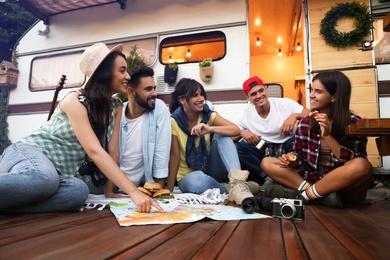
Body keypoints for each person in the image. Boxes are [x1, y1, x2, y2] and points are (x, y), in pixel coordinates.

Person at [0, 42, 163, 213]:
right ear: (104, 73)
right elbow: (94, 151)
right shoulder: (75, 101)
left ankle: (9, 207)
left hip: (56, 174)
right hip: (27, 153)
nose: (128, 76)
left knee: (78, 192)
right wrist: (133, 191)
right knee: (46, 179)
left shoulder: (115, 106)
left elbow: (113, 150)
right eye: (122, 71)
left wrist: (109, 191)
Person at [261, 70, 373, 208]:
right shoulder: (305, 123)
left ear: (334, 97)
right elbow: (299, 157)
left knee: (362, 165)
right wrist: (291, 161)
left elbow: (353, 162)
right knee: (267, 162)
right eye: (311, 90)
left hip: (343, 187)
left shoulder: (354, 123)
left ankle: (304, 196)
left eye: (318, 91)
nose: (311, 95)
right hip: (311, 179)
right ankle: (320, 196)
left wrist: (328, 136)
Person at [167, 78, 260, 205]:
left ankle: (238, 183)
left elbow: (236, 130)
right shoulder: (173, 121)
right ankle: (229, 188)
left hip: (210, 169)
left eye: (201, 94)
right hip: (188, 177)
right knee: (197, 182)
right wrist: (169, 190)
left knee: (223, 135)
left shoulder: (208, 115)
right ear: (182, 100)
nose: (201, 98)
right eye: (195, 95)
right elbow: (174, 156)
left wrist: (210, 129)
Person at [104, 66, 171, 198]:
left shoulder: (159, 108)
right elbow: (109, 153)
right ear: (131, 92)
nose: (154, 93)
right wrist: (109, 190)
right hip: (113, 184)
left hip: (142, 187)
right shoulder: (117, 112)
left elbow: (161, 151)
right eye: (148, 89)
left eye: (154, 88)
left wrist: (158, 190)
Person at [234, 76, 310, 189]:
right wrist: (242, 132)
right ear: (248, 98)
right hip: (264, 149)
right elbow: (230, 137)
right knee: (237, 147)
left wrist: (295, 116)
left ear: (266, 89)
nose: (259, 96)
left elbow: (312, 115)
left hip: (287, 147)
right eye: (253, 94)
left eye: (261, 90)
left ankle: (296, 176)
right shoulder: (246, 113)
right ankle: (268, 177)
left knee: (297, 139)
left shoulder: (284, 103)